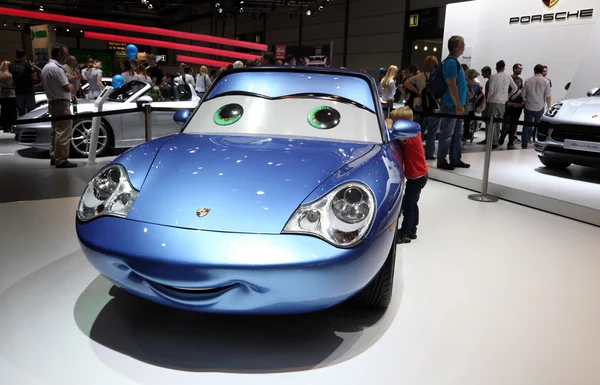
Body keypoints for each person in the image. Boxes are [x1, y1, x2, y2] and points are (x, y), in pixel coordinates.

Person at [386, 107, 428, 244]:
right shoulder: (415, 134)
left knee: (408, 206)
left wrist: (388, 124)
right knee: (413, 204)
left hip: (417, 177)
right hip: (418, 175)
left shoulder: (410, 136)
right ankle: (412, 230)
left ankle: (405, 233)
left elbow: (398, 134)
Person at [437, 35, 470, 170]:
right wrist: (458, 105)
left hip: (455, 105)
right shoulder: (451, 63)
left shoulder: (452, 62)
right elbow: (451, 84)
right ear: (457, 47)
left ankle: (455, 159)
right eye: (462, 44)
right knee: (447, 134)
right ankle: (442, 160)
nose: (464, 47)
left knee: (457, 134)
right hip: (451, 105)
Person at [42, 43, 77, 168]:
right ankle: (61, 160)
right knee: (63, 133)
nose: (66, 57)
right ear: (59, 54)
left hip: (52, 102)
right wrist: (71, 86)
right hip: (61, 104)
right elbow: (66, 87)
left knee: (55, 132)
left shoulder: (47, 67)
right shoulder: (57, 68)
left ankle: (54, 156)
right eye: (65, 54)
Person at [402, 56, 441, 160]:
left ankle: (415, 151)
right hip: (433, 107)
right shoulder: (437, 76)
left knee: (419, 131)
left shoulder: (419, 76)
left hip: (420, 106)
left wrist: (417, 91)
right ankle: (429, 154)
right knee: (432, 132)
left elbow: (406, 83)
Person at [485, 60, 517, 149]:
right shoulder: (507, 77)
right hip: (503, 102)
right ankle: (496, 141)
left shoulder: (493, 77)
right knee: (498, 123)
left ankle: (492, 141)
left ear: (496, 67)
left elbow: (491, 90)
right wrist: (508, 95)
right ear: (504, 67)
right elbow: (515, 88)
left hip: (493, 102)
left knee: (491, 123)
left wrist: (488, 101)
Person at [521, 64, 552, 148]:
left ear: (534, 70)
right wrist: (549, 106)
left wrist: (525, 100)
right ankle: (537, 143)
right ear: (542, 71)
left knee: (526, 126)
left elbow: (523, 94)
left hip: (529, 106)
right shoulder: (546, 81)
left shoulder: (528, 81)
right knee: (538, 126)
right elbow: (548, 95)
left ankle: (524, 144)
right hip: (540, 107)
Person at [499, 63, 524, 149]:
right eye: (519, 68)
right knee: (506, 126)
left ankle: (510, 142)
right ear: (514, 69)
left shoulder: (521, 80)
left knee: (514, 126)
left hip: (517, 107)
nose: (521, 70)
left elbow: (520, 91)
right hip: (508, 106)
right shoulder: (508, 78)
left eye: (521, 68)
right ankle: (501, 139)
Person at [9, 49, 36, 116]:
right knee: (31, 111)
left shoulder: (11, 65)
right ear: (24, 56)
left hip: (18, 91)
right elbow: (34, 76)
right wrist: (32, 68)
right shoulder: (26, 64)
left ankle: (22, 125)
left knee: (21, 111)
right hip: (29, 91)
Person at [0, 61, 17, 133]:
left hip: (2, 95)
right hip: (11, 94)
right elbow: (13, 83)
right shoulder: (10, 75)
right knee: (12, 112)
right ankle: (12, 126)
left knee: (4, 111)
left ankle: (5, 127)